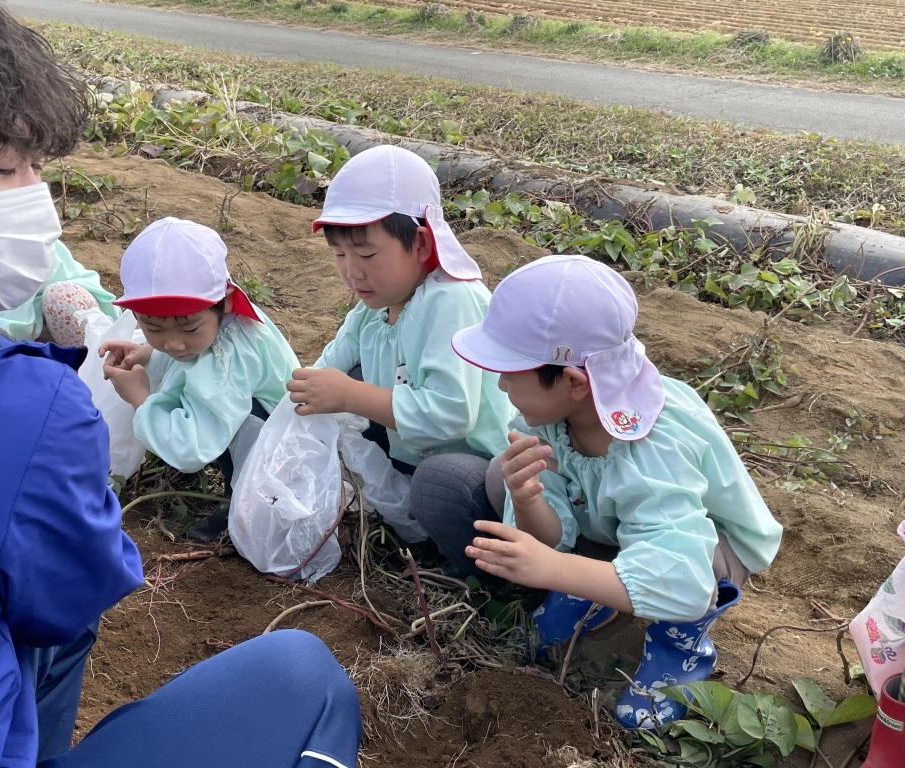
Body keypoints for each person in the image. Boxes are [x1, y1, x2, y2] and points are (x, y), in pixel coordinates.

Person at [0, 2, 362, 766]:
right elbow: (77, 588)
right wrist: (142, 399)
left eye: (37, 169)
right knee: (303, 676)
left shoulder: (213, 353)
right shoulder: (25, 407)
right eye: (4, 170)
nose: (33, 197)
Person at [436, 254, 783, 729]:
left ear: (574, 382)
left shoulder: (652, 450)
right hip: (616, 526)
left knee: (699, 568)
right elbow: (552, 533)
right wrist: (529, 499)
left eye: (511, 373)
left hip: (701, 546)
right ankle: (597, 587)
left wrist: (554, 569)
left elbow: (683, 579)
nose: (500, 383)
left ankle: (678, 645)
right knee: (505, 474)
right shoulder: (552, 415)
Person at [286, 145, 516, 541]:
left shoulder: (452, 300)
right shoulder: (375, 306)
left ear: (422, 244)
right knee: (344, 382)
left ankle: (468, 565)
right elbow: (327, 369)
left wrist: (349, 395)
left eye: (367, 254)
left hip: (475, 473)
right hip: (412, 451)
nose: (351, 272)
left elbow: (450, 415)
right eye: (339, 254)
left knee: (438, 482)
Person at [100, 217, 300, 541]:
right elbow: (184, 350)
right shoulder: (218, 324)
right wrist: (148, 353)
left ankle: (247, 508)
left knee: (230, 417)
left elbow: (191, 450)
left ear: (224, 303)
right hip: (266, 430)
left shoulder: (228, 358)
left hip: (283, 456)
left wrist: (139, 398)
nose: (173, 344)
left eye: (189, 328)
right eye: (153, 328)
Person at [0, 240, 120, 346]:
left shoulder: (28, 242)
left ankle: (83, 364)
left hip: (64, 320)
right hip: (26, 332)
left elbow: (14, 318)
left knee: (61, 297)